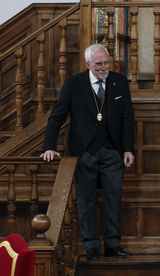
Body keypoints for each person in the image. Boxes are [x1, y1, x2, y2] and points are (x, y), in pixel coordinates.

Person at [41, 44, 135, 260]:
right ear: (88, 64)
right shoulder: (74, 84)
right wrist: (49, 147)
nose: (103, 67)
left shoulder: (119, 82)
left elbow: (127, 117)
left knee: (114, 197)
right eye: (98, 64)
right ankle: (91, 245)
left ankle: (113, 244)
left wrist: (128, 148)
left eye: (106, 63)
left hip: (112, 151)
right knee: (86, 200)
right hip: (84, 152)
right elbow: (57, 117)